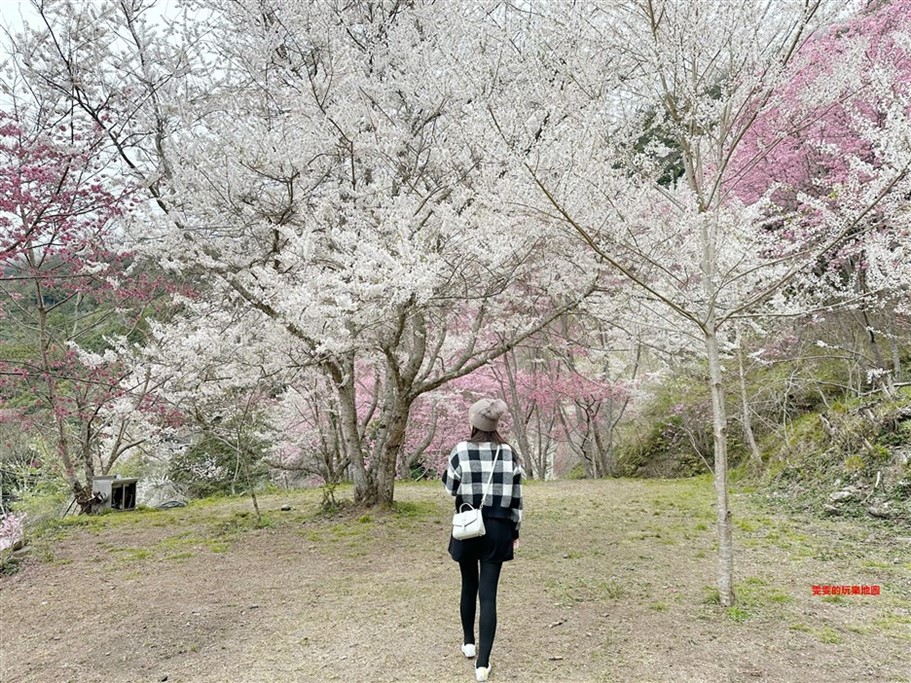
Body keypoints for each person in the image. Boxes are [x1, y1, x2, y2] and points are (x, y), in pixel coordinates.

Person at [442, 398, 523, 683]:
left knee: (468, 585)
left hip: (468, 525)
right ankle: (483, 664)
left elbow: (451, 488)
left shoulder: (460, 450)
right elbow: (516, 498)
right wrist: (515, 531)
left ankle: (468, 642)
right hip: (499, 527)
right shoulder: (508, 452)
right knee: (488, 595)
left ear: (473, 423)